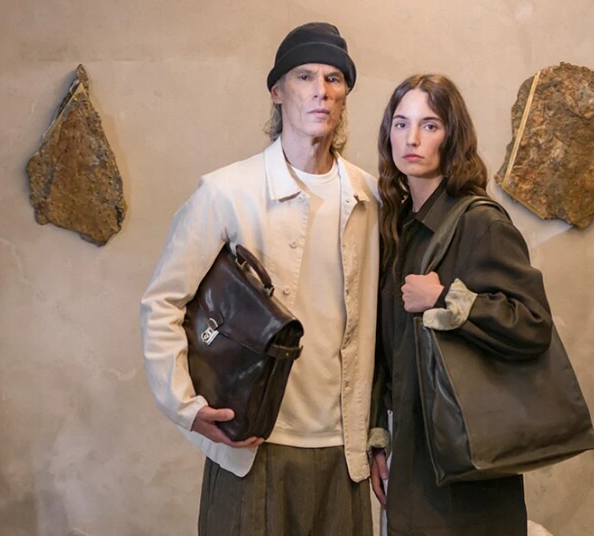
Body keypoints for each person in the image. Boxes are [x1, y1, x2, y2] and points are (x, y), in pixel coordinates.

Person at [139, 22, 381, 536]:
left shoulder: (372, 198)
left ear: (344, 96)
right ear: (277, 91)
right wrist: (185, 406)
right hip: (251, 448)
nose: (320, 90)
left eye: (334, 78)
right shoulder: (226, 192)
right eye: (304, 76)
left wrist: (381, 436)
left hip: (344, 451)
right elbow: (163, 302)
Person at [369, 74, 556, 534]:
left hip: (468, 468)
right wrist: (378, 435)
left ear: (452, 136)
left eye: (429, 125)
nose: (411, 139)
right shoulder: (397, 228)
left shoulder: (480, 223)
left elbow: (533, 325)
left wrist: (444, 298)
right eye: (401, 124)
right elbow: (388, 351)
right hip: (410, 456)